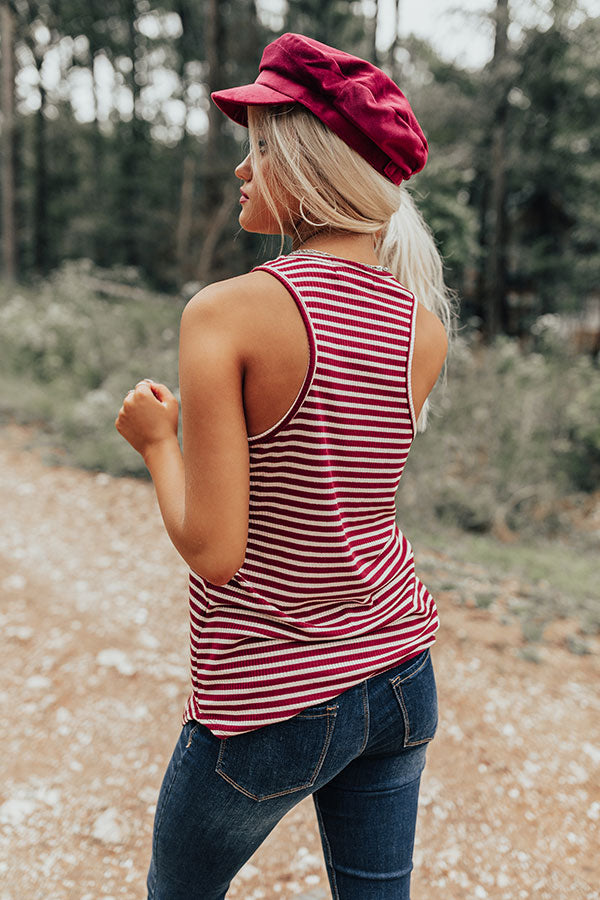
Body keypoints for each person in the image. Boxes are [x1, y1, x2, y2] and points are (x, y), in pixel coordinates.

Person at [115, 32, 454, 900]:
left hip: (274, 700)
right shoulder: (423, 326)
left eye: (259, 149)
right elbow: (342, 502)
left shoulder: (227, 313)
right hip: (400, 675)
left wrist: (158, 444)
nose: (242, 170)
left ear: (311, 167)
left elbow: (215, 550)